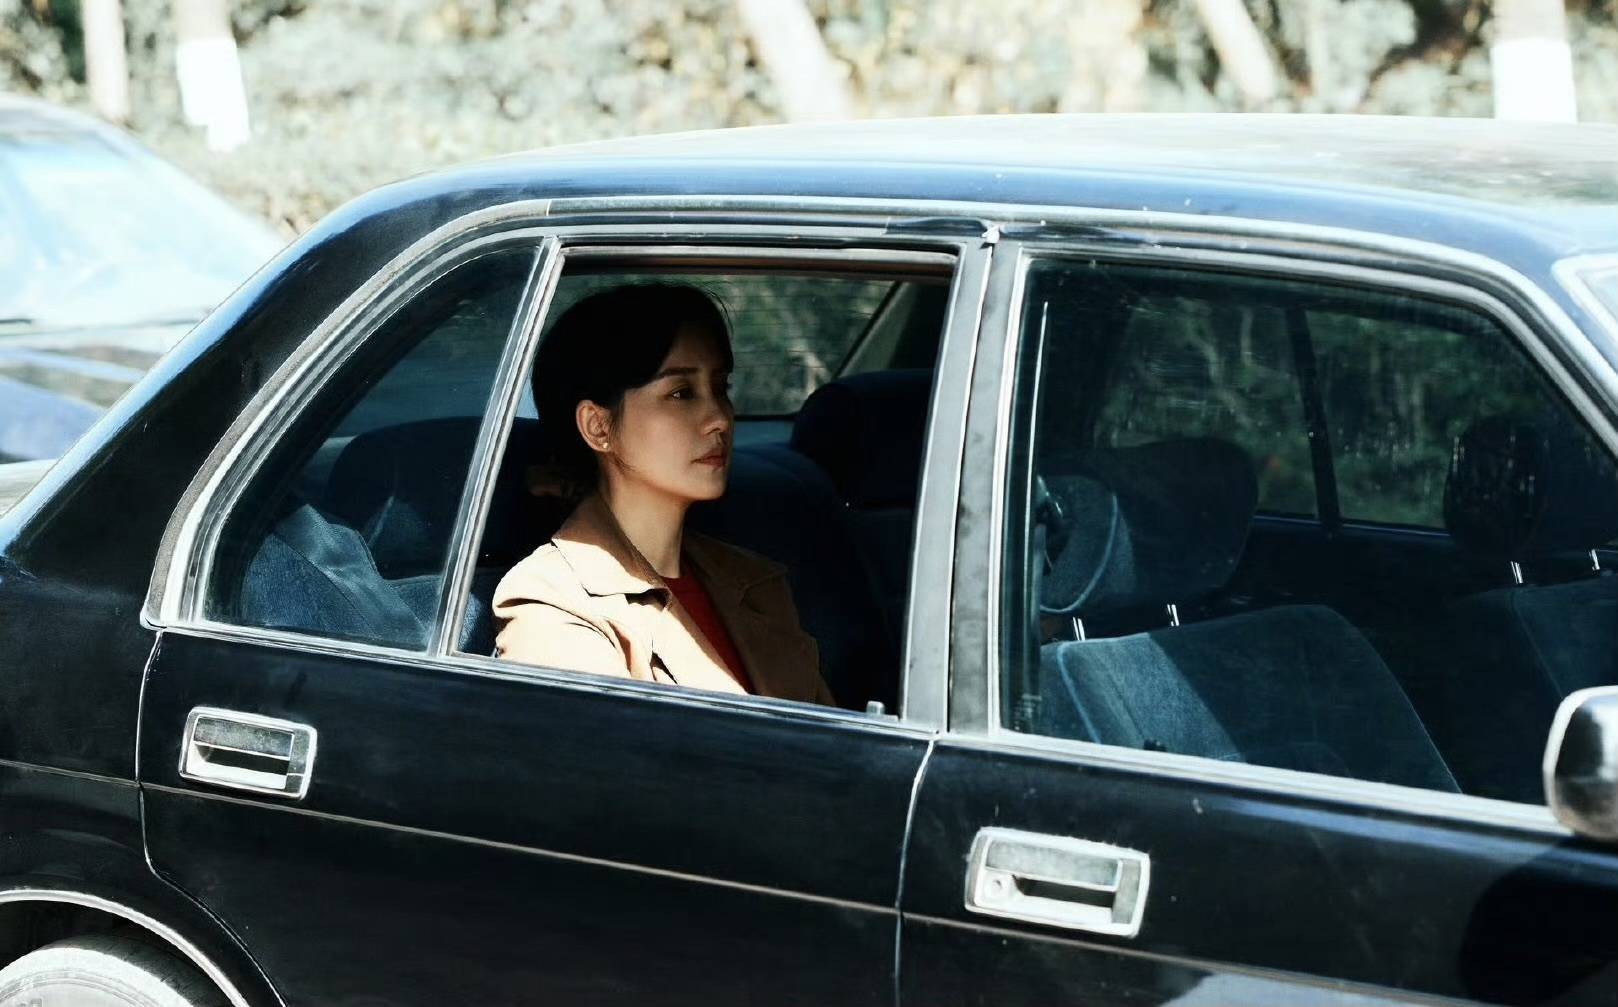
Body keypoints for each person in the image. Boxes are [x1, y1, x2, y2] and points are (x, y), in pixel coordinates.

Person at [492, 283, 835, 706]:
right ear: (598, 426)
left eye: (721, 387)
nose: (719, 418)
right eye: (680, 393)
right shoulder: (555, 603)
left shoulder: (754, 581)